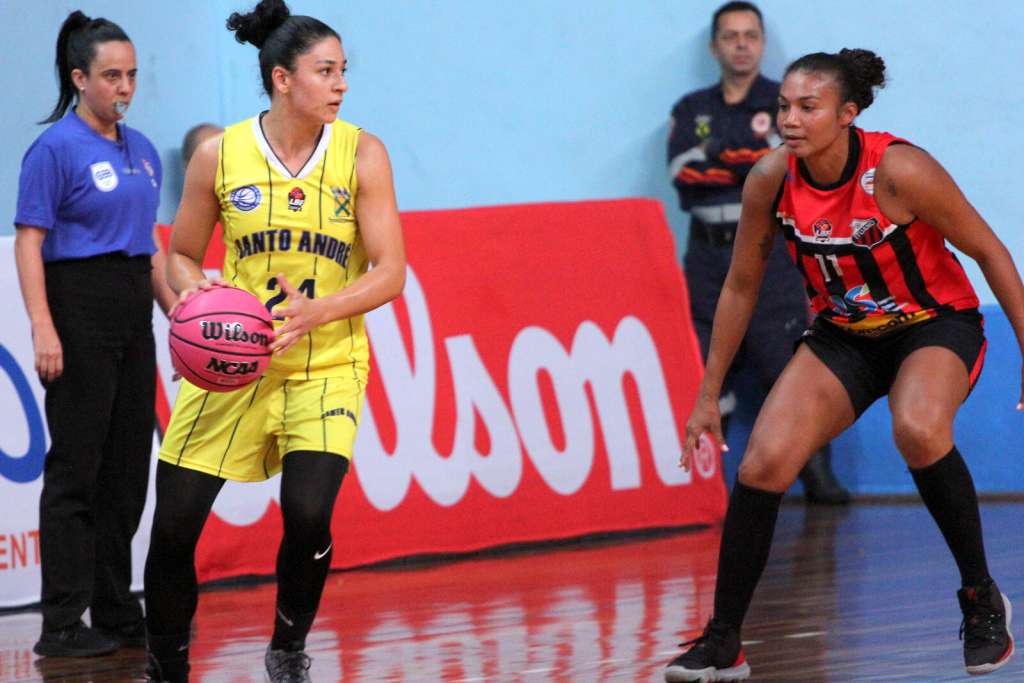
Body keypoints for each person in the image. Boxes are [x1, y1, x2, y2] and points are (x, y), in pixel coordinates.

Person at [664, 48, 1024, 682]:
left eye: (809, 107)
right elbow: (741, 286)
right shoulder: (771, 178)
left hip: (933, 324)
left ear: (848, 114)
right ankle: (724, 641)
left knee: (916, 429)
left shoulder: (900, 170)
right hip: (845, 335)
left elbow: (992, 254)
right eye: (784, 107)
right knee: (763, 462)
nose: (790, 119)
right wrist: (707, 390)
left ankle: (980, 600)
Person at [142, 1, 405, 682]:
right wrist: (190, 292)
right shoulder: (219, 154)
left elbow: (391, 272)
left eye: (345, 71)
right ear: (283, 79)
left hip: (327, 362)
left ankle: (288, 648)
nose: (341, 84)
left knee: (309, 513)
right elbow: (182, 253)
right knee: (172, 526)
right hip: (234, 362)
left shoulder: (362, 152)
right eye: (326, 71)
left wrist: (322, 310)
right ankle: (166, 664)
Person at [13, 10, 174, 658]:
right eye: (111, 75)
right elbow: (30, 242)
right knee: (76, 470)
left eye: (131, 75)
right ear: (80, 78)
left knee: (129, 471)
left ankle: (115, 605)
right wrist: (43, 326)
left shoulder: (139, 150)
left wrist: (180, 319)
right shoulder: (53, 150)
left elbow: (151, 249)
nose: (125, 87)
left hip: (134, 311)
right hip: (78, 308)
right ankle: (60, 625)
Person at [668, 1, 849, 504]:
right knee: (708, 367)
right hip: (706, 259)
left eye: (750, 35)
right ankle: (705, 493)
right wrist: (747, 161)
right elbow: (682, 174)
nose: (741, 44)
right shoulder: (691, 110)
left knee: (792, 367)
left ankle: (819, 481)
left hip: (773, 259)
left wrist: (720, 160)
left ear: (763, 44)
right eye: (731, 36)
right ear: (715, 46)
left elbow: (793, 166)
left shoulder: (784, 102)